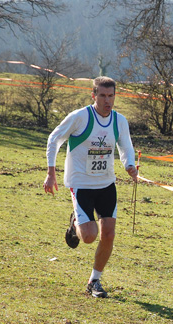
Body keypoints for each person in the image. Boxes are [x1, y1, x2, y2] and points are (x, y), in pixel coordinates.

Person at [43, 76, 137, 298]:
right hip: (81, 184)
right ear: (93, 95)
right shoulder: (80, 117)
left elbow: (126, 147)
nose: (107, 100)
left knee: (109, 235)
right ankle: (76, 222)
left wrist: (130, 165)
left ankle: (95, 281)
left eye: (111, 95)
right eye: (102, 95)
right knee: (89, 236)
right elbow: (54, 139)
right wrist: (51, 173)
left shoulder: (119, 120)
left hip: (106, 184)